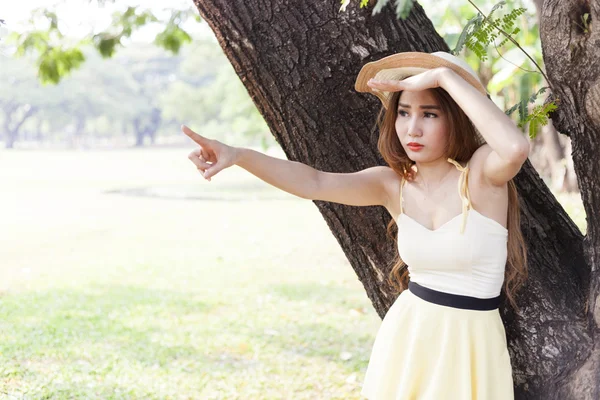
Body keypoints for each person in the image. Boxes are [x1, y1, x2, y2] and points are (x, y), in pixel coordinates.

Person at [182, 51, 529, 400]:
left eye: (430, 114)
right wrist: (239, 156)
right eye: (404, 113)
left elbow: (515, 147)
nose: (412, 128)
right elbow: (313, 183)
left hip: (471, 346)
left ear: (454, 118)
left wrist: (443, 78)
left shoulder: (482, 175)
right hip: (409, 338)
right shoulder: (392, 185)